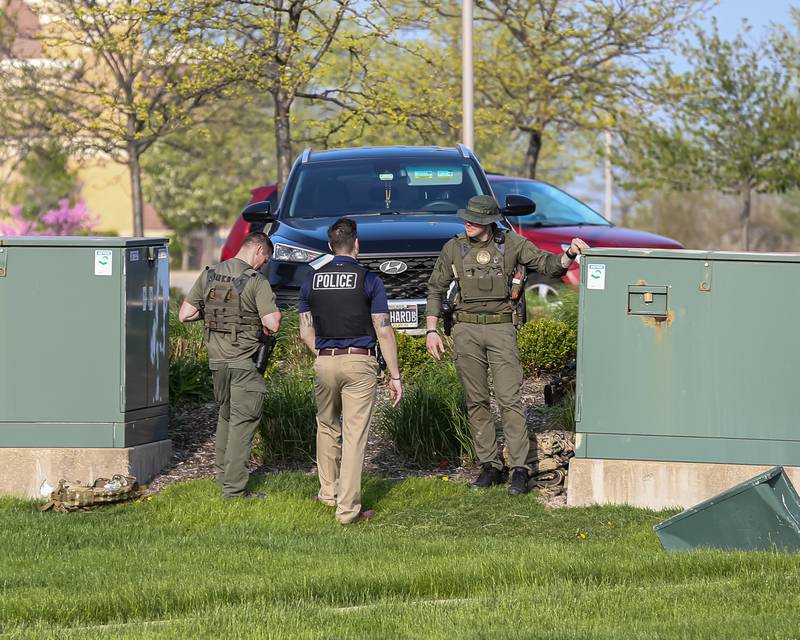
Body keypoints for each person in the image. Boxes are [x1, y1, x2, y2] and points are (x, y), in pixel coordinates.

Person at [425, 195, 589, 496]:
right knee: (476, 400)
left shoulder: (512, 244)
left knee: (509, 399)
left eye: (474, 219)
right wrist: (432, 330)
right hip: (465, 329)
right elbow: (435, 288)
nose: (467, 222)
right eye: (466, 217)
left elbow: (548, 265)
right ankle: (489, 465)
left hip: (501, 328)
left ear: (488, 222)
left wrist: (569, 254)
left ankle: (519, 469)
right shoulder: (454, 247)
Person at [298, 217, 403, 524]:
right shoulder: (369, 280)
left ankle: (328, 493)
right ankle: (347, 511)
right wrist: (395, 375)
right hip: (360, 360)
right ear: (357, 244)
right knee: (354, 435)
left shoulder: (312, 279)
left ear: (330, 247)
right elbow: (383, 330)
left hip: (324, 359)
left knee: (326, 425)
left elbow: (305, 331)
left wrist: (325, 354)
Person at [178, 232, 281, 499]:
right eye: (265, 259)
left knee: (225, 418)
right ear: (258, 250)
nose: (263, 265)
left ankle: (223, 476)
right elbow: (273, 323)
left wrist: (213, 313)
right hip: (244, 363)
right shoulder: (256, 281)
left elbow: (185, 314)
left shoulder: (210, 274)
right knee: (242, 423)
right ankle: (234, 490)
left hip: (217, 364)